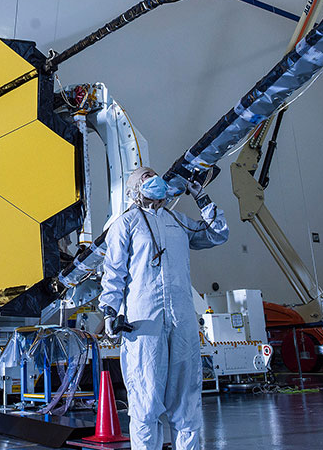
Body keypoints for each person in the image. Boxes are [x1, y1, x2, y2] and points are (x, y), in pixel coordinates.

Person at [99, 166, 229, 450]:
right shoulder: (126, 223)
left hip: (182, 321)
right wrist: (109, 310)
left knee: (187, 402)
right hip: (144, 323)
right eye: (146, 177)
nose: (154, 180)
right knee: (145, 402)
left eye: (154, 175)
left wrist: (202, 198)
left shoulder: (177, 221)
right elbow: (114, 271)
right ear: (134, 190)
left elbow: (218, 234)